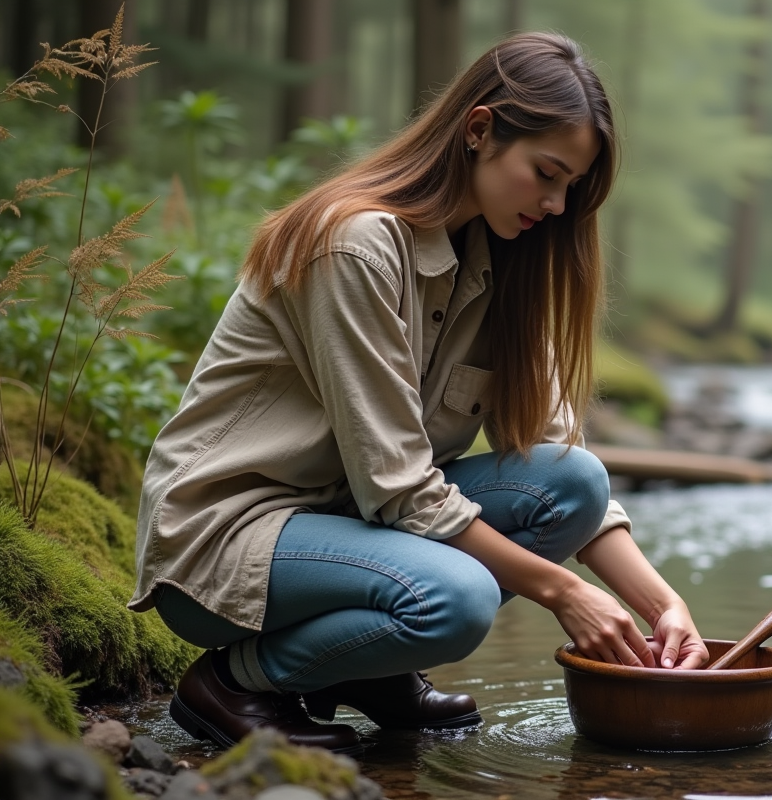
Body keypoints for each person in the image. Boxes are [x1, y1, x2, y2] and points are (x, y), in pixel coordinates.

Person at [128, 32, 709, 755]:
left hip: (355, 528)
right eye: (547, 174)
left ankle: (370, 669)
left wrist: (661, 605)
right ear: (479, 130)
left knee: (573, 481)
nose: (558, 205)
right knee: (455, 599)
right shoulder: (355, 245)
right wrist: (564, 591)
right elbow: (398, 488)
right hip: (229, 541)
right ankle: (236, 682)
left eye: (571, 189)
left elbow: (561, 458)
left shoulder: (504, 260)